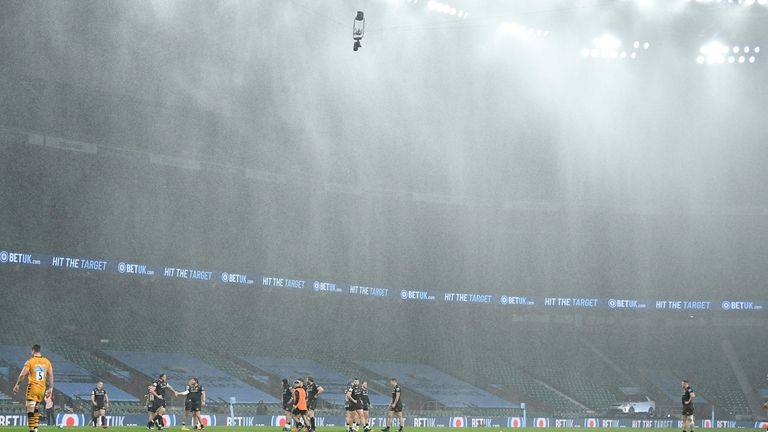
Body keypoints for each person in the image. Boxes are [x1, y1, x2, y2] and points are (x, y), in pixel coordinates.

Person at [12, 344, 54, 432]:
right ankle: (35, 428)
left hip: (33, 387)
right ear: (40, 350)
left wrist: (17, 385)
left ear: (33, 351)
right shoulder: (47, 362)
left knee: (30, 409)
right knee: (35, 408)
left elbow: (22, 374)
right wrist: (50, 388)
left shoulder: (30, 361)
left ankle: (31, 429)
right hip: (42, 389)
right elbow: (51, 376)